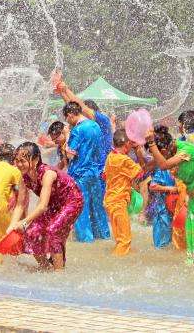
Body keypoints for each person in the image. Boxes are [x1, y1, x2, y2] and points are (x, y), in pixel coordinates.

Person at [145, 125, 194, 262]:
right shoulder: (169, 154)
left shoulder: (185, 150)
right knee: (192, 238)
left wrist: (151, 142)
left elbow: (164, 165)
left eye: (156, 153)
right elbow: (147, 167)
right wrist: (137, 149)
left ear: (165, 150)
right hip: (193, 197)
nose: (154, 157)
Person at [6, 142, 83, 271]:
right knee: (31, 233)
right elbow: (20, 204)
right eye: (17, 160)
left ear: (35, 159)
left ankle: (59, 273)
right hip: (52, 203)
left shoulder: (48, 174)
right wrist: (12, 225)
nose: (19, 164)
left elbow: (42, 206)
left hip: (72, 201)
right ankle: (45, 268)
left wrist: (23, 222)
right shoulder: (24, 177)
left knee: (53, 231)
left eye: (23, 161)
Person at [61, 101, 110, 243]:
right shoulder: (95, 126)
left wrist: (67, 134)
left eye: (67, 118)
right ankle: (103, 235)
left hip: (79, 173)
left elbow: (70, 154)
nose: (67, 122)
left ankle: (85, 239)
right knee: (97, 207)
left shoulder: (77, 130)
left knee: (81, 207)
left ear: (70, 115)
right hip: (94, 172)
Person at [103, 129, 144, 256]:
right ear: (126, 144)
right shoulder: (124, 160)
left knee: (119, 238)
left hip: (110, 201)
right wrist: (138, 151)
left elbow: (104, 176)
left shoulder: (110, 156)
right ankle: (115, 265)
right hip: (119, 202)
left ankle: (118, 258)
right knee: (125, 240)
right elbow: (141, 172)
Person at [55, 80, 113, 169]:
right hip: (90, 166)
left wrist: (65, 89)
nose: (79, 115)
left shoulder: (102, 120)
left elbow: (81, 109)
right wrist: (62, 93)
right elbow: (73, 111)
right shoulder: (86, 126)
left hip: (101, 166)